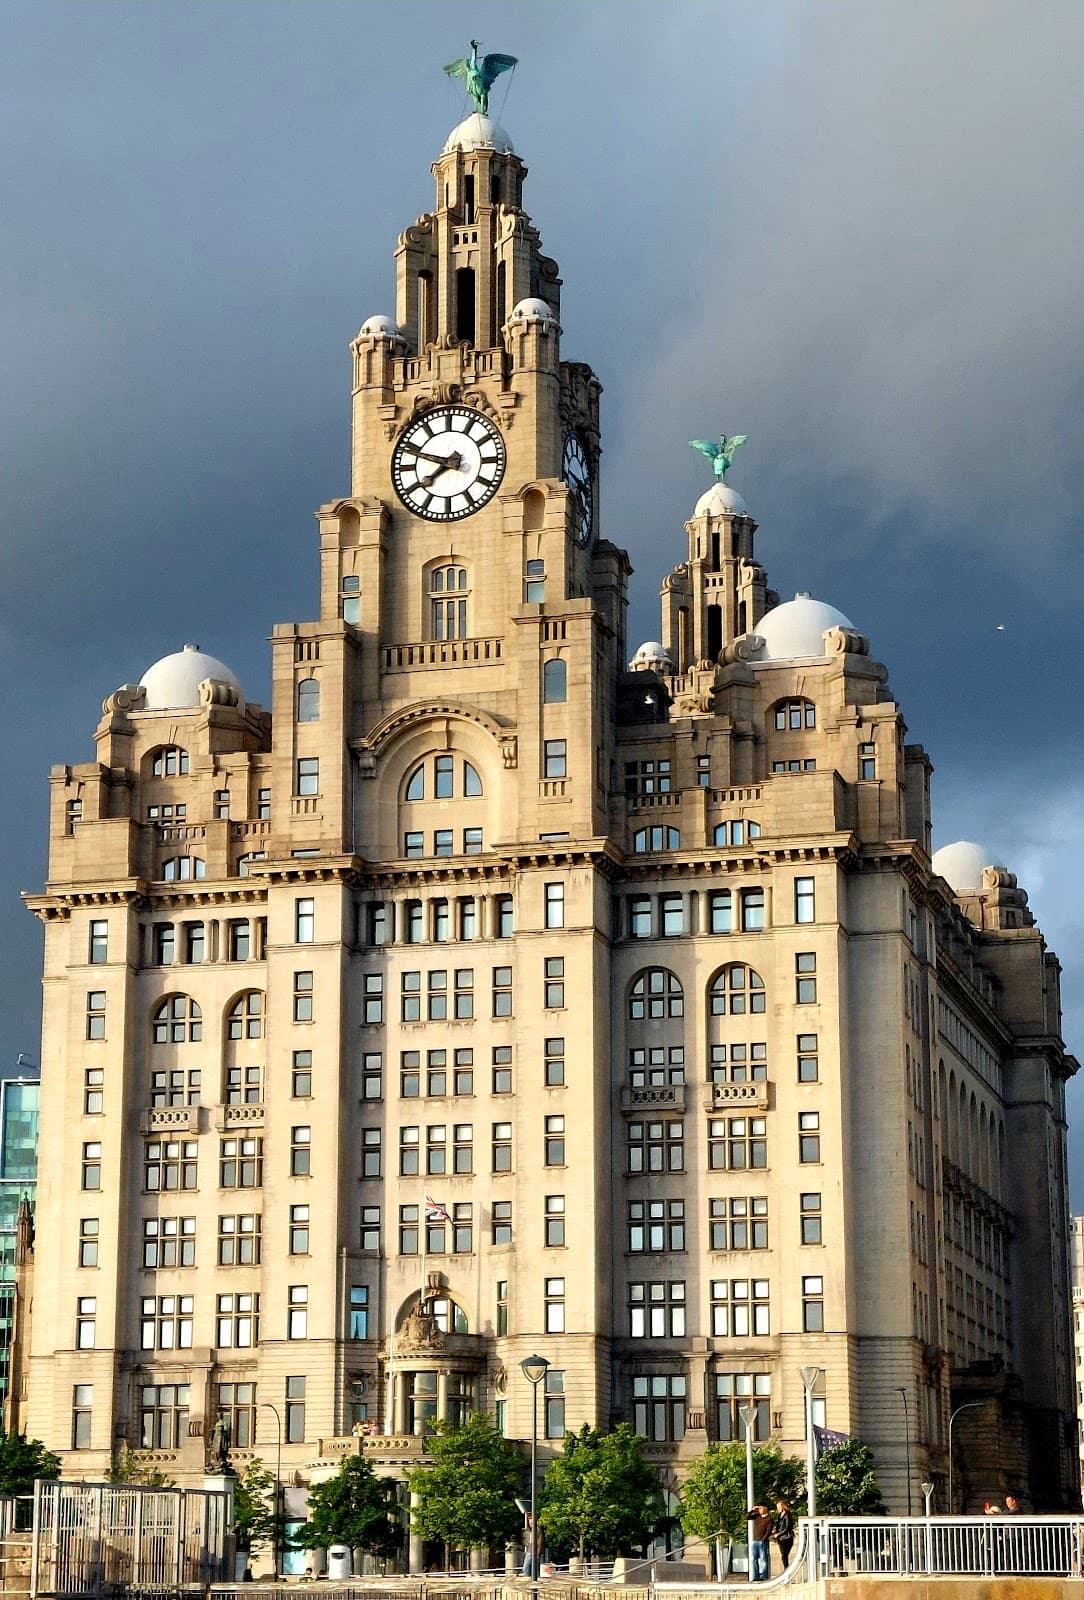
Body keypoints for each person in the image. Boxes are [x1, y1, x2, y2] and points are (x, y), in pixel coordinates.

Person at [747, 1503, 773, 1581]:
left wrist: (763, 1539)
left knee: (763, 1559)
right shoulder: (757, 1516)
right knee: (754, 1559)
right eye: (759, 1508)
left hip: (763, 1541)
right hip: (755, 1541)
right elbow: (747, 1517)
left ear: (765, 1508)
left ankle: (764, 1576)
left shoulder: (769, 1519)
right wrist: (752, 1510)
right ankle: (756, 1575)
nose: (760, 1510)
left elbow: (769, 1531)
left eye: (761, 1508)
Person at [774, 1499, 795, 1571]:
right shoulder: (780, 1515)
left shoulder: (787, 1515)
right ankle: (786, 1570)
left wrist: (778, 1534)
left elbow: (787, 1527)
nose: (778, 1509)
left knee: (784, 1555)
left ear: (783, 1506)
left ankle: (786, 1570)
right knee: (784, 1555)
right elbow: (778, 1525)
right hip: (781, 1538)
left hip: (787, 1537)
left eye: (779, 1507)